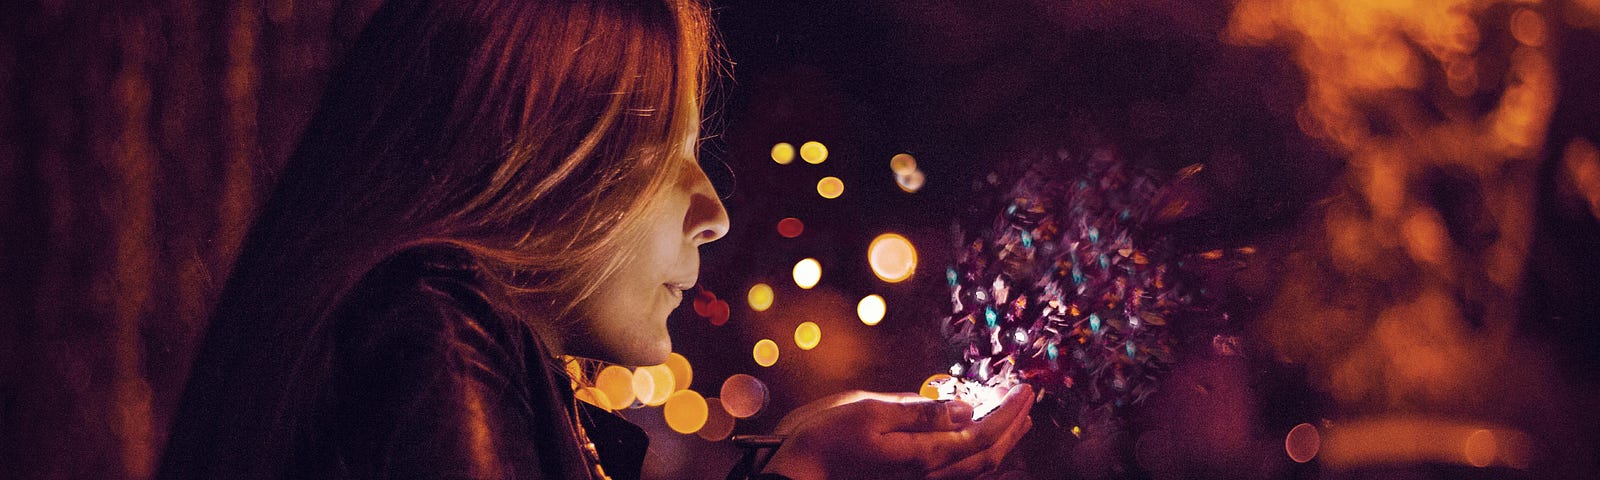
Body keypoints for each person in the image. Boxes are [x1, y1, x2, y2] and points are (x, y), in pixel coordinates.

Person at [155, 0, 1033, 478]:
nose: (713, 213)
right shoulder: (430, 327)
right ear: (535, 157)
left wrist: (802, 462)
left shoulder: (430, 338)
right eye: (670, 154)